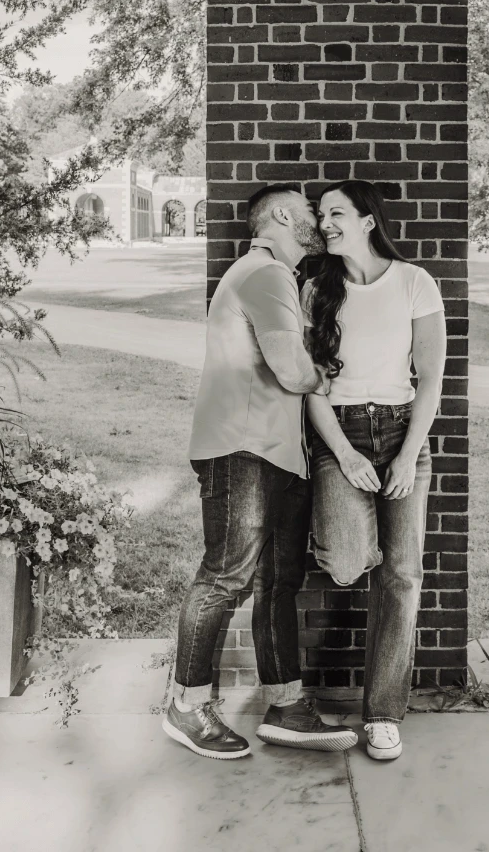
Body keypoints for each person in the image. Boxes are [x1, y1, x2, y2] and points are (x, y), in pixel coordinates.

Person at [162, 184, 360, 760]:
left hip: (276, 454)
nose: (318, 225)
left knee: (278, 585)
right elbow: (292, 371)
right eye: (308, 214)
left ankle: (287, 705)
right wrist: (322, 374)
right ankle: (187, 704)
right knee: (226, 578)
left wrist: (310, 367)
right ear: (280, 215)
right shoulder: (265, 273)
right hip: (242, 450)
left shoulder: (278, 280)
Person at [302, 179, 447, 762]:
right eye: (321, 215)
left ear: (367, 220)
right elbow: (312, 385)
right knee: (344, 560)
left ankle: (383, 715)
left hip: (403, 430)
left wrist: (409, 454)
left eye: (336, 213)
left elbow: (433, 379)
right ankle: (363, 543)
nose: (325, 223)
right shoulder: (317, 289)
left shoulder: (414, 282)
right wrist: (344, 452)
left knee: (403, 575)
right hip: (343, 433)